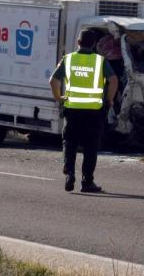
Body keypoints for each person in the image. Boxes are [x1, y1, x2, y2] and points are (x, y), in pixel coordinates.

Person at [49, 30, 117, 193]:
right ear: (94, 44)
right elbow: (113, 81)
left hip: (72, 109)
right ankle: (87, 182)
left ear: (78, 43)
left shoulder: (69, 59)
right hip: (94, 111)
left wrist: (59, 97)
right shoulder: (100, 61)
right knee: (90, 147)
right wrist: (109, 99)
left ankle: (69, 172)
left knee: (70, 142)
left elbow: (53, 80)